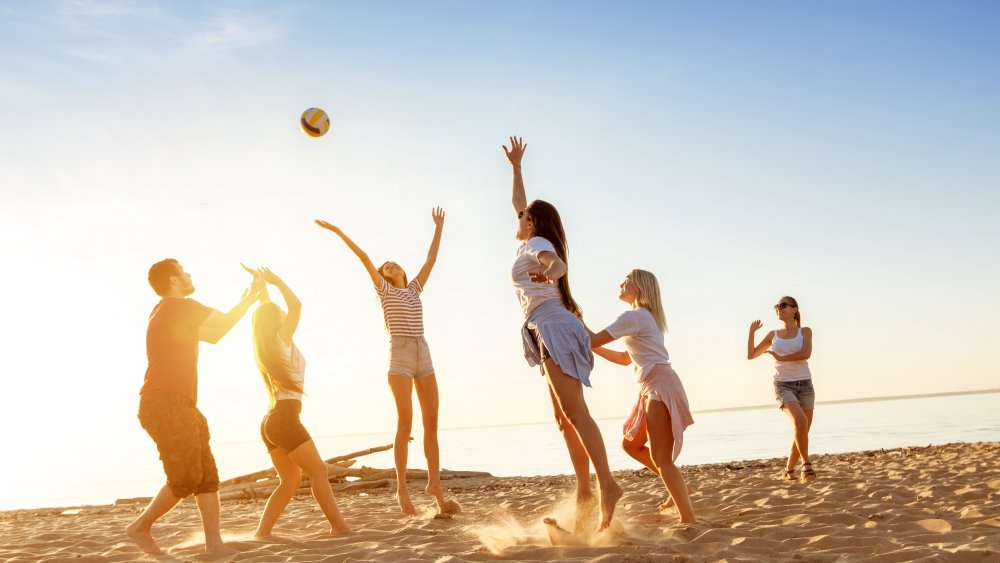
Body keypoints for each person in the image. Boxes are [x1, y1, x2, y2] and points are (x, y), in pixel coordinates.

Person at [503, 135, 622, 532]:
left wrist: (548, 271)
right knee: (563, 419)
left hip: (553, 324)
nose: (517, 218)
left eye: (523, 216)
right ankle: (584, 491)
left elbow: (557, 267)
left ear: (532, 223)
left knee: (575, 413)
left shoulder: (536, 242)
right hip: (543, 327)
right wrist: (517, 167)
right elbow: (520, 203)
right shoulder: (526, 239)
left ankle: (605, 486)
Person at [315, 208, 458, 517]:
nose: (389, 265)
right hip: (401, 357)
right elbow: (365, 258)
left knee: (431, 424)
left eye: (393, 264)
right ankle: (401, 489)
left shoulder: (414, 289)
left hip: (424, 352)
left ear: (402, 271)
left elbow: (431, 259)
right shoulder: (384, 291)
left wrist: (439, 227)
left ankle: (435, 485)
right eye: (386, 266)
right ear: (383, 276)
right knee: (405, 424)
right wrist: (339, 232)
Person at [127, 259, 262, 556]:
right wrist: (251, 298)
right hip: (165, 402)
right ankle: (140, 527)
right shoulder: (178, 306)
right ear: (174, 280)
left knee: (206, 478)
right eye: (185, 272)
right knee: (185, 480)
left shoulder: (168, 311)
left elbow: (215, 334)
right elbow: (224, 322)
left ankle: (215, 545)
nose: (190, 276)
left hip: (180, 403)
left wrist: (246, 300)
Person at [245, 266, 352, 537]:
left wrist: (261, 288)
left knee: (290, 481)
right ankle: (339, 527)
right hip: (284, 418)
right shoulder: (281, 339)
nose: (283, 312)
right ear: (275, 322)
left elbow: (267, 311)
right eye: (278, 313)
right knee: (318, 472)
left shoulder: (269, 343)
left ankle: (262, 533)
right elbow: (296, 305)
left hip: (271, 421)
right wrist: (277, 281)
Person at [587, 270, 696, 523]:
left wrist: (575, 322)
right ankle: (680, 487)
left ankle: (688, 519)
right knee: (631, 445)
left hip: (659, 385)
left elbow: (590, 337)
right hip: (652, 385)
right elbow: (626, 359)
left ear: (638, 286)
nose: (621, 283)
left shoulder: (635, 316)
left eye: (626, 279)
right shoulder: (644, 318)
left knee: (662, 459)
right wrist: (594, 346)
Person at [747, 296, 816, 482]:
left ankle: (788, 469)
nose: (779, 308)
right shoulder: (773, 335)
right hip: (783, 385)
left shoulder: (806, 331)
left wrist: (780, 357)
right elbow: (751, 355)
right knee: (800, 422)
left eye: (783, 305)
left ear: (795, 309)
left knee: (802, 430)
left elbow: (806, 353)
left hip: (805, 385)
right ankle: (807, 465)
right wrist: (752, 332)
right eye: (777, 306)